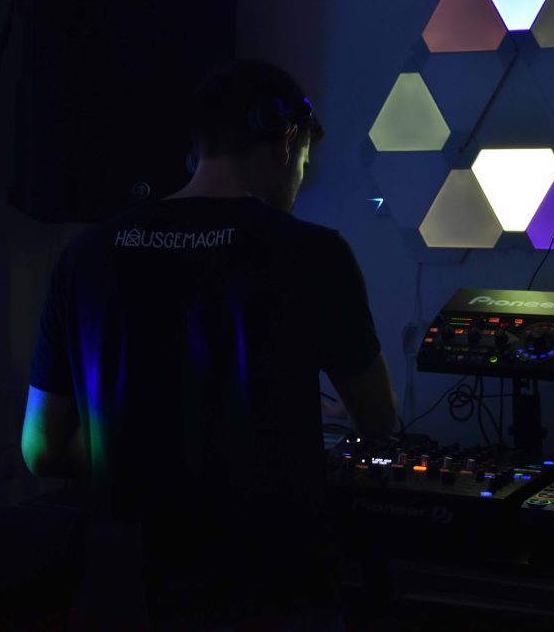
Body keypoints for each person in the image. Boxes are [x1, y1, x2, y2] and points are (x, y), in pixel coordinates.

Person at [21, 59, 398, 630]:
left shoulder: (86, 255)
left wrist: (149, 443)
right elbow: (378, 421)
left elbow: (41, 449)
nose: (297, 181)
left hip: (125, 590)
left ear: (198, 147)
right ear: (286, 139)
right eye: (302, 163)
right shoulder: (314, 254)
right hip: (269, 589)